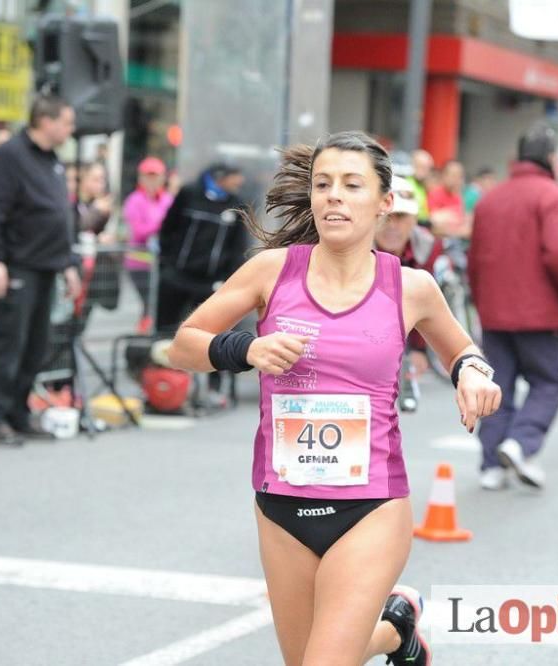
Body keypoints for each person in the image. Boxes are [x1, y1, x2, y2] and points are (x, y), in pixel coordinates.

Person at [167, 130, 500, 666]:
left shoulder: (410, 286)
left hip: (371, 506)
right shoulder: (271, 272)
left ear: (384, 203)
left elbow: (463, 351)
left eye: (351, 185)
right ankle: (396, 633)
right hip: (281, 507)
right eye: (323, 184)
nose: (334, 197)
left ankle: (391, 628)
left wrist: (474, 375)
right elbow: (182, 346)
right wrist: (246, 349)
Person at [467, 124, 558, 491]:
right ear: (550, 158)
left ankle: (491, 465)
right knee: (549, 381)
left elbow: (475, 259)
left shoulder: (490, 198)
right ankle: (521, 443)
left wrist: (481, 298)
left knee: (496, 384)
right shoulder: (552, 196)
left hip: (495, 310)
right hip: (542, 311)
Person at [0, 95, 81, 446]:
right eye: (66, 122)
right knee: (9, 343)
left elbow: (59, 216)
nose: (70, 129)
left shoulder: (52, 160)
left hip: (47, 265)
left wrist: (67, 264)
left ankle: (18, 413)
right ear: (45, 121)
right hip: (18, 264)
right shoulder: (10, 156)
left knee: (36, 346)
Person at [155, 162, 247, 335]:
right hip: (177, 276)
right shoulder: (189, 194)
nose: (240, 182)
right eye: (235, 177)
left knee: (204, 333)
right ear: (221, 177)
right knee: (166, 329)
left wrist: (228, 280)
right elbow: (168, 228)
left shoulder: (237, 205)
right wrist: (166, 265)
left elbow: (237, 247)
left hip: (210, 283)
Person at [375, 175, 445, 377]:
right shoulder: (353, 249)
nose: (392, 226)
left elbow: (427, 305)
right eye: (385, 217)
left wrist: (419, 349)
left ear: (414, 220)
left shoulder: (429, 248)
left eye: (401, 217)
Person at [123, 156, 174, 333]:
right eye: (148, 176)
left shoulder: (168, 199)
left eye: (156, 176)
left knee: (158, 306)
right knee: (149, 305)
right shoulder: (134, 200)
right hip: (139, 265)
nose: (152, 180)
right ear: (141, 178)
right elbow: (139, 232)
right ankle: (143, 342)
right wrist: (162, 223)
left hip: (161, 263)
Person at [428, 160, 468, 238]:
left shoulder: (458, 197)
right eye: (454, 175)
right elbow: (434, 224)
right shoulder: (435, 194)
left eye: (460, 176)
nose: (457, 180)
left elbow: (463, 222)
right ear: (444, 176)